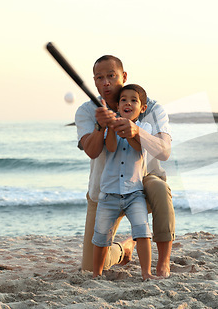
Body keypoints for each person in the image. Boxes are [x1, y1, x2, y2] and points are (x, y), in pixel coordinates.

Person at [75, 55, 175, 278]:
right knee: (90, 268)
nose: (106, 83)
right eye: (100, 78)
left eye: (111, 76)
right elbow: (92, 151)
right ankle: (124, 248)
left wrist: (138, 132)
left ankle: (163, 264)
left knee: (159, 188)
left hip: (142, 182)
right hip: (104, 188)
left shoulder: (151, 107)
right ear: (94, 82)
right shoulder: (86, 111)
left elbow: (164, 152)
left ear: (124, 76)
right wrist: (100, 127)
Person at [93, 84, 154, 280]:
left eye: (133, 100)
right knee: (101, 235)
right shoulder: (111, 126)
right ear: (118, 106)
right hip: (109, 192)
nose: (128, 103)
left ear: (142, 108)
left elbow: (138, 147)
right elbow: (110, 148)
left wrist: (130, 130)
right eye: (123, 100)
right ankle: (97, 274)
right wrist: (110, 127)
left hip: (134, 192)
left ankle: (146, 273)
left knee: (142, 230)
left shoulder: (145, 128)